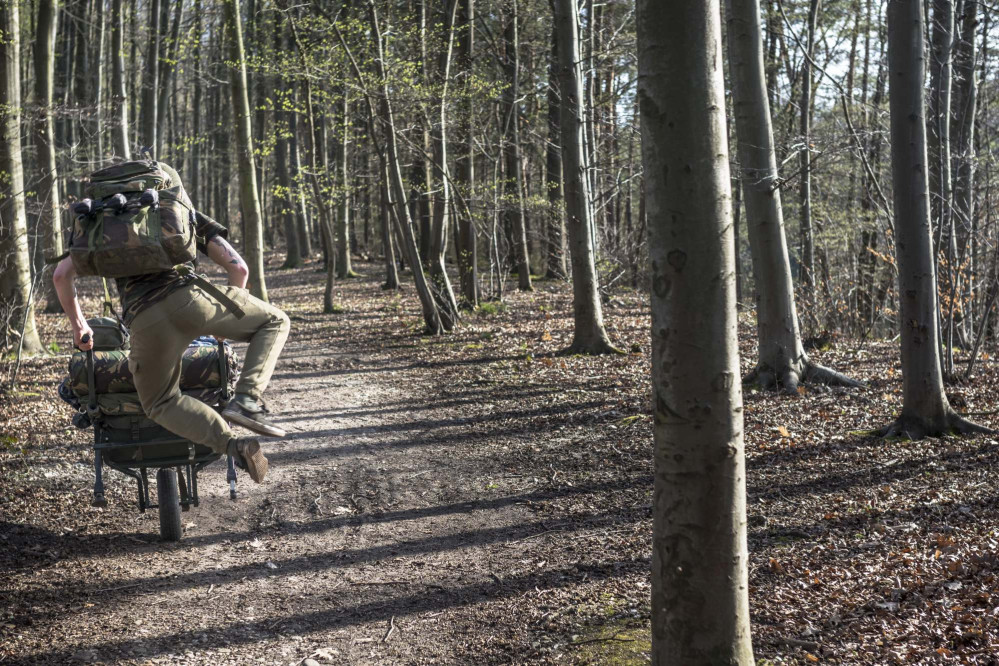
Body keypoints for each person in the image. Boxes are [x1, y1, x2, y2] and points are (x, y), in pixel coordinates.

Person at [52, 163, 289, 483]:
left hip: (146, 323)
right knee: (275, 321)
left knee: (161, 402)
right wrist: (220, 323)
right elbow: (240, 269)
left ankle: (233, 445)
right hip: (193, 300)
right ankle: (247, 400)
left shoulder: (102, 225)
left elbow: (61, 275)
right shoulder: (180, 212)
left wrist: (80, 325)